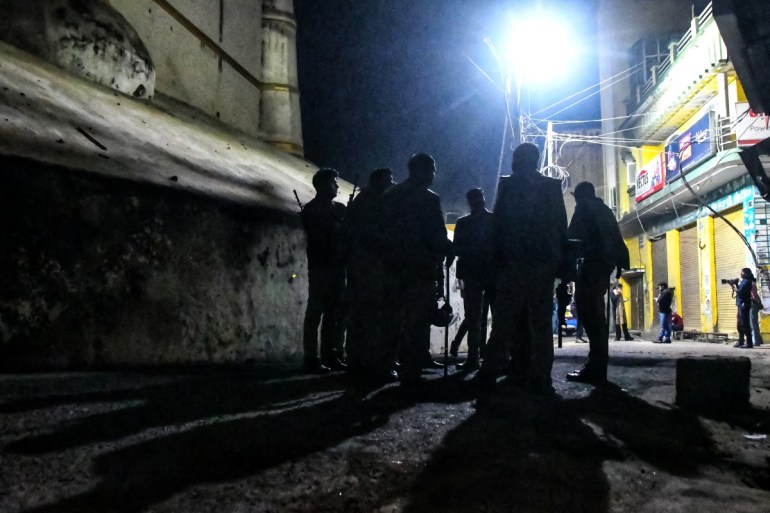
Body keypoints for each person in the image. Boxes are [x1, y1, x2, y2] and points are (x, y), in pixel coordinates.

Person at [477, 143, 568, 394]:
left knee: (505, 319)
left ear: (521, 160)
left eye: (516, 157)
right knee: (539, 322)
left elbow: (498, 224)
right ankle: (540, 375)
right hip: (541, 263)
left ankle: (492, 369)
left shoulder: (508, 185)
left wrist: (494, 259)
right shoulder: (550, 186)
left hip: (513, 263)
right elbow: (561, 225)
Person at [379, 153, 452, 387]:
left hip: (392, 267)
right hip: (420, 270)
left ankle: (386, 366)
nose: (433, 174)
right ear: (422, 171)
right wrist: (451, 249)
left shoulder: (390, 195)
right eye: (432, 169)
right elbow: (437, 236)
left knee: (391, 320)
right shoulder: (429, 199)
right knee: (417, 323)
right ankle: (411, 372)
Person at [565, 181, 629, 384]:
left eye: (576, 197)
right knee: (596, 316)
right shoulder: (605, 210)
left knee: (590, 315)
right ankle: (598, 366)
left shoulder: (584, 208)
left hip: (591, 266)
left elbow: (573, 237)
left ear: (581, 195)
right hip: (603, 268)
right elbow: (617, 239)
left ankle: (596, 368)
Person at [343, 167, 397, 383]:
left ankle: (359, 360)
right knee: (371, 315)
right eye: (388, 179)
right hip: (369, 266)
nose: (391, 183)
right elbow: (368, 233)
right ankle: (369, 361)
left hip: (364, 266)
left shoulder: (365, 200)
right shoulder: (370, 202)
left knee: (363, 315)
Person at [301, 168, 347, 373]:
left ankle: (331, 354)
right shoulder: (312, 210)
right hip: (321, 266)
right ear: (321, 185)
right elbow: (321, 239)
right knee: (316, 312)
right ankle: (312, 357)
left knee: (334, 313)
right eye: (333, 182)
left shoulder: (338, 208)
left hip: (337, 267)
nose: (337, 186)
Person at [453, 188, 495, 371]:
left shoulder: (464, 223)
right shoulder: (492, 220)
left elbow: (458, 249)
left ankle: (475, 358)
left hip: (476, 273)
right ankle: (484, 357)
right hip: (486, 273)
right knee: (477, 317)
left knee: (474, 317)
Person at [734, 268, 754, 349]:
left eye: (741, 272)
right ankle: (741, 341)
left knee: (744, 324)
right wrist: (736, 284)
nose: (740, 273)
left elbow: (739, 291)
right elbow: (740, 290)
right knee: (739, 324)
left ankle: (749, 343)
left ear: (745, 273)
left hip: (744, 305)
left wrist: (733, 285)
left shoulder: (746, 281)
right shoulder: (744, 281)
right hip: (740, 304)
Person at [750, 271, 764, 347]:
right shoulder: (752, 284)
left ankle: (755, 341)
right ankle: (756, 340)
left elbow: (754, 296)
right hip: (754, 305)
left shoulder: (751, 284)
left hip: (752, 305)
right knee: (754, 323)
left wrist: (757, 303)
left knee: (753, 324)